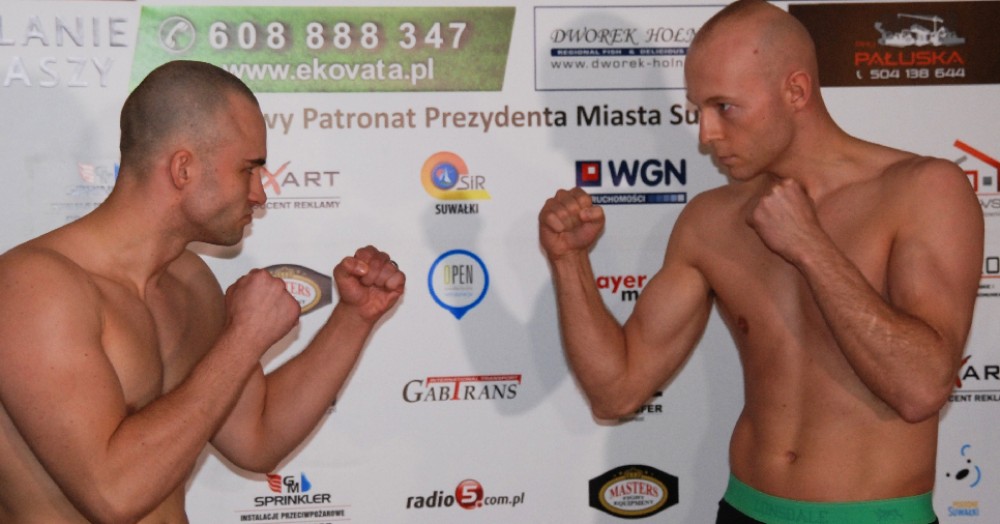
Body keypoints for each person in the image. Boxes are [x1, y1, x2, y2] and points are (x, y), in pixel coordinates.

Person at [538, 1, 982, 522]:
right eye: (698, 110)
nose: (706, 134)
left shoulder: (922, 190)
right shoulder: (711, 220)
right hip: (745, 508)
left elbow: (921, 388)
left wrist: (810, 246)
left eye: (724, 107)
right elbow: (616, 392)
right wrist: (569, 262)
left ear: (796, 91)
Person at [0, 60, 405, 523]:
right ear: (183, 168)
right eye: (248, 169)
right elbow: (112, 495)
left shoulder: (188, 280)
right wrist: (243, 339)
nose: (260, 194)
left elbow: (257, 437)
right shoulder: (35, 289)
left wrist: (353, 318)